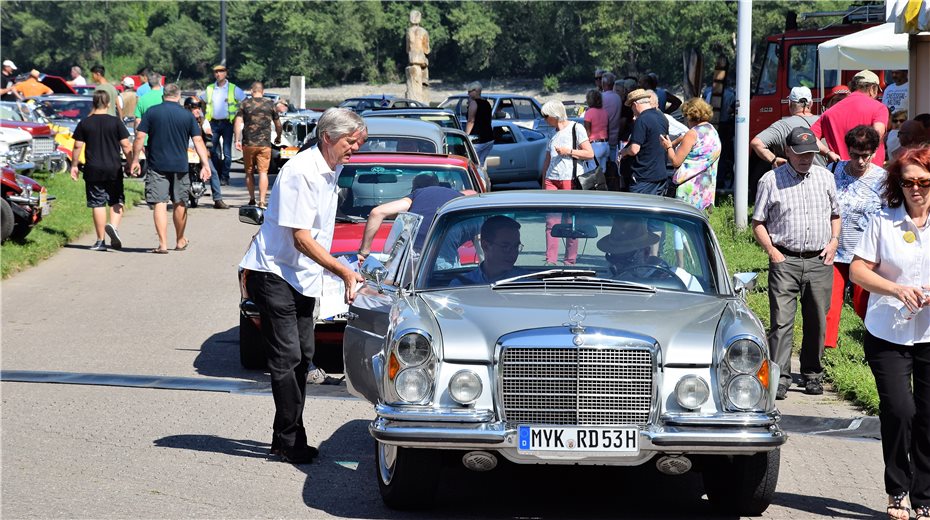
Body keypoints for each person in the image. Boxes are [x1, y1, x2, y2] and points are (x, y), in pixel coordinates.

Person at [239, 107, 367, 464]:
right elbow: (300, 238)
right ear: (328, 137)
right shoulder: (300, 171)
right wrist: (342, 271)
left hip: (302, 276)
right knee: (287, 358)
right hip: (274, 272)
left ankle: (286, 437)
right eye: (351, 141)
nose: (355, 148)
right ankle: (289, 440)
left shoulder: (331, 169)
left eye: (359, 142)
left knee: (302, 359)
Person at [849, 147, 930, 520]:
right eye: (909, 181)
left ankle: (924, 497)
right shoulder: (883, 220)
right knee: (900, 410)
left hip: (928, 333)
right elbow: (858, 271)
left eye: (924, 181)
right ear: (899, 184)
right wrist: (896, 289)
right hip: (888, 331)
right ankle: (897, 490)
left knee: (928, 416)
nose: (916, 188)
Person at [752, 126, 840, 400]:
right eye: (800, 154)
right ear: (787, 152)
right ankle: (779, 377)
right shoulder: (771, 180)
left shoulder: (825, 178)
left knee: (817, 320)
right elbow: (758, 222)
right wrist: (772, 251)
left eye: (811, 153)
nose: (806, 159)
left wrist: (834, 241)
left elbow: (835, 214)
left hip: (818, 259)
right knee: (781, 322)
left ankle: (813, 374)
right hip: (785, 258)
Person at [824, 125, 887, 350]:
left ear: (874, 152)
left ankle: (874, 343)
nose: (860, 161)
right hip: (835, 249)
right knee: (829, 304)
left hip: (866, 254)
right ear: (847, 150)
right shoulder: (833, 170)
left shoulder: (882, 179)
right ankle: (826, 350)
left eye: (866, 155)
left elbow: (889, 216)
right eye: (855, 155)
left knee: (864, 304)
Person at [129, 84, 211, 254]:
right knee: (180, 202)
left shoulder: (152, 112)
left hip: (157, 165)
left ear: (163, 96)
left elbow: (139, 137)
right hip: (180, 166)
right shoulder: (187, 115)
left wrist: (135, 160)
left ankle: (162, 244)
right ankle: (180, 239)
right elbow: (198, 141)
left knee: (160, 203)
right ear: (179, 96)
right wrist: (205, 165)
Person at [357, 174, 474, 261]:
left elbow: (377, 212)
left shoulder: (417, 194)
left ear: (415, 187)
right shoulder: (459, 200)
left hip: (415, 254)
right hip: (446, 254)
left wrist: (364, 253)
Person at [70, 90, 132, 251]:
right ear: (109, 104)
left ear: (93, 103)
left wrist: (74, 165)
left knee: (97, 203)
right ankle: (114, 227)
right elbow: (126, 145)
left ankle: (100, 241)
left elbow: (77, 146)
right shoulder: (116, 122)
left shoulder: (85, 123)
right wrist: (131, 162)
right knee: (116, 199)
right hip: (113, 168)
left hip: (93, 168)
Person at [539, 100, 594, 266]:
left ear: (555, 115)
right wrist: (543, 181)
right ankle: (551, 260)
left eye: (546, 116)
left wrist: (568, 152)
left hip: (570, 178)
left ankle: (570, 260)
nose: (544, 119)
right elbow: (547, 159)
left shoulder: (576, 128)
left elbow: (589, 153)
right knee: (551, 221)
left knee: (570, 221)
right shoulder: (552, 133)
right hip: (551, 179)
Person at [812, 70, 889, 167]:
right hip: (870, 172)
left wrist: (828, 153)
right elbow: (878, 132)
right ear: (872, 88)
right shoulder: (879, 108)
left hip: (838, 171)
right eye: (877, 91)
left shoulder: (829, 113)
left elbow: (809, 137)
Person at [751, 86, 837, 170]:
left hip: (791, 181)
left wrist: (774, 160)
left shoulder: (781, 126)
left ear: (790, 104)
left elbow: (756, 143)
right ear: (811, 104)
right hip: (822, 178)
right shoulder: (826, 122)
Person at [660, 97, 721, 210]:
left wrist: (668, 146)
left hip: (689, 188)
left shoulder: (692, 134)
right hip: (705, 187)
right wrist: (679, 140)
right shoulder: (711, 130)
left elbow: (675, 162)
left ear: (689, 115)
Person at [234, 81, 282, 208]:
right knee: (263, 172)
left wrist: (237, 140)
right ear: (263, 91)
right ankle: (261, 201)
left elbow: (237, 122)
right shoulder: (270, 104)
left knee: (249, 172)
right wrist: (278, 136)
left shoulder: (244, 104)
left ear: (251, 91)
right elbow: (278, 124)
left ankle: (251, 199)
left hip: (248, 143)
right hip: (264, 144)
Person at [202, 64, 246, 186]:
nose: (218, 74)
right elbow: (202, 101)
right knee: (212, 151)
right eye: (216, 72)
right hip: (214, 123)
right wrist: (204, 117)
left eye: (221, 71)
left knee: (227, 153)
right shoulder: (210, 88)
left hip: (228, 123)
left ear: (226, 73)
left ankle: (225, 176)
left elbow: (245, 101)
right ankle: (216, 174)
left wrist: (239, 115)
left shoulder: (233, 88)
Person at [620, 88, 669, 196]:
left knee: (638, 211)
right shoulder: (662, 117)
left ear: (635, 104)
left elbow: (634, 149)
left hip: (644, 176)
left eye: (631, 107)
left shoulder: (642, 119)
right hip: (660, 174)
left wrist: (624, 152)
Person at [452, 215, 527, 285]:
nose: (513, 254)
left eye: (516, 246)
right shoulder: (460, 284)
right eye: (505, 246)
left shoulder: (527, 283)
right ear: (485, 246)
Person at [183, 96, 225, 209]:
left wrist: (208, 138)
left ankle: (218, 199)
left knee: (213, 172)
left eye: (199, 107)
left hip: (199, 152)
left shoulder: (203, 121)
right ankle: (180, 198)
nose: (198, 110)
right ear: (187, 109)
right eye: (194, 108)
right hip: (184, 152)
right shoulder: (182, 120)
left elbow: (208, 134)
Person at [600, 72, 623, 191]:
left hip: (602, 137)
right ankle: (613, 186)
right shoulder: (617, 98)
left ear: (604, 84)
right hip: (615, 136)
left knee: (601, 168)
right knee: (613, 166)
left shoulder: (601, 98)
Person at [464, 81, 493, 166]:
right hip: (489, 138)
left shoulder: (474, 103)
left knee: (472, 163)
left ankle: (477, 178)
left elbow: (471, 121)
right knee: (481, 163)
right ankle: (482, 177)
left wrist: (466, 136)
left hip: (477, 139)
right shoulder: (487, 103)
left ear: (475, 91)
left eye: (469, 91)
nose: (468, 94)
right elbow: (489, 120)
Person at [583, 89, 609, 175]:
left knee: (592, 174)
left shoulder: (589, 112)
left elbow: (587, 133)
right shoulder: (605, 112)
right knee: (603, 173)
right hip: (605, 144)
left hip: (595, 146)